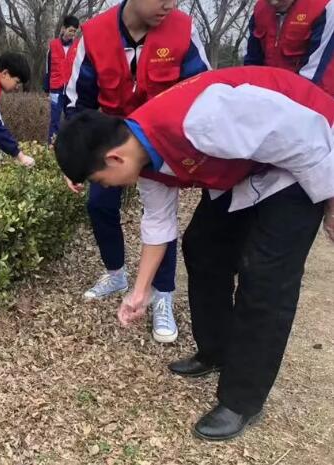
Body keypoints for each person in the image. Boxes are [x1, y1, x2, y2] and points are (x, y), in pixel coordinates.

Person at [54, 66, 334, 441]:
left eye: (99, 180)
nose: (105, 187)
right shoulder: (142, 157)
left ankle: (242, 399)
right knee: (202, 246)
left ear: (114, 159)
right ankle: (216, 350)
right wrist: (140, 293)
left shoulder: (203, 118)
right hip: (254, 164)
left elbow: (304, 135)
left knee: (265, 275)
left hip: (309, 150)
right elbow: (158, 225)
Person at [64, 0, 210, 343]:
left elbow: (200, 92)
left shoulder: (184, 30)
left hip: (162, 145)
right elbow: (78, 102)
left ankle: (163, 296)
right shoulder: (95, 33)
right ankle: (115, 273)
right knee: (98, 204)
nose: (169, 5)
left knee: (161, 218)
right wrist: (74, 159)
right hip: (113, 143)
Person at [244, 0, 333, 95]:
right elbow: (252, 62)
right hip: (268, 94)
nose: (273, 2)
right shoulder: (260, 9)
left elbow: (313, 74)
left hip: (313, 97)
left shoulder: (325, 7)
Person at [43, 15, 80, 143]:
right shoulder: (53, 46)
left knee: (71, 119)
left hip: (71, 90)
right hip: (56, 89)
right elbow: (48, 68)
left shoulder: (77, 47)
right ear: (63, 29)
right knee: (55, 120)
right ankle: (51, 147)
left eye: (75, 31)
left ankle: (70, 147)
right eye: (71, 30)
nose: (72, 34)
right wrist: (47, 89)